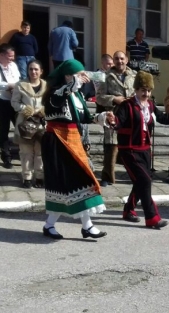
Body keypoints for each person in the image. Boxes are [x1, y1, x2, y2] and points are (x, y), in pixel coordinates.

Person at [102, 71, 169, 228]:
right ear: (136, 89)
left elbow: (164, 118)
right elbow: (119, 122)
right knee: (145, 180)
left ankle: (128, 210)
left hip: (145, 149)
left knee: (140, 181)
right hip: (129, 150)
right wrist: (112, 120)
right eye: (143, 90)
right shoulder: (127, 105)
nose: (146, 93)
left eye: (149, 90)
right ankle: (152, 217)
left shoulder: (150, 105)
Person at [41, 59, 107, 240]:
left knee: (78, 182)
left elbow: (84, 116)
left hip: (72, 140)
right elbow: (56, 101)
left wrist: (100, 117)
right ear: (68, 76)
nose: (84, 77)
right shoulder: (56, 93)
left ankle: (81, 226)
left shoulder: (77, 95)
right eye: (79, 74)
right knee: (66, 184)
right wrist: (72, 85)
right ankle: (78, 226)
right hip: (57, 141)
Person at [96, 51, 136, 187]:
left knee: (131, 146)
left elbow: (142, 93)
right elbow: (99, 97)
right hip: (113, 114)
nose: (120, 61)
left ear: (127, 60)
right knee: (111, 146)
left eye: (122, 58)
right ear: (113, 61)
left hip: (131, 115)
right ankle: (107, 176)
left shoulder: (134, 76)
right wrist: (114, 99)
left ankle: (133, 174)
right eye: (117, 59)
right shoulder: (106, 76)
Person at [11, 59, 46, 189]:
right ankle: (27, 177)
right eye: (31, 69)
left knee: (40, 152)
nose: (33, 71)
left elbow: (49, 103)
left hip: (41, 124)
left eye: (36, 69)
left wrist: (44, 110)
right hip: (25, 123)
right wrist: (24, 108)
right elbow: (14, 102)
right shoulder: (20, 85)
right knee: (26, 152)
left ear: (41, 71)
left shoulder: (46, 86)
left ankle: (39, 177)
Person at [0, 43, 21, 169]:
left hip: (14, 100)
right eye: (9, 56)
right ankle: (6, 156)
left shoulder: (13, 65)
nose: (12, 59)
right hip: (1, 101)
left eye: (13, 56)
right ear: (1, 55)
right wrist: (9, 86)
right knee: (3, 130)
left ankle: (21, 153)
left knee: (20, 126)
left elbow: (18, 79)